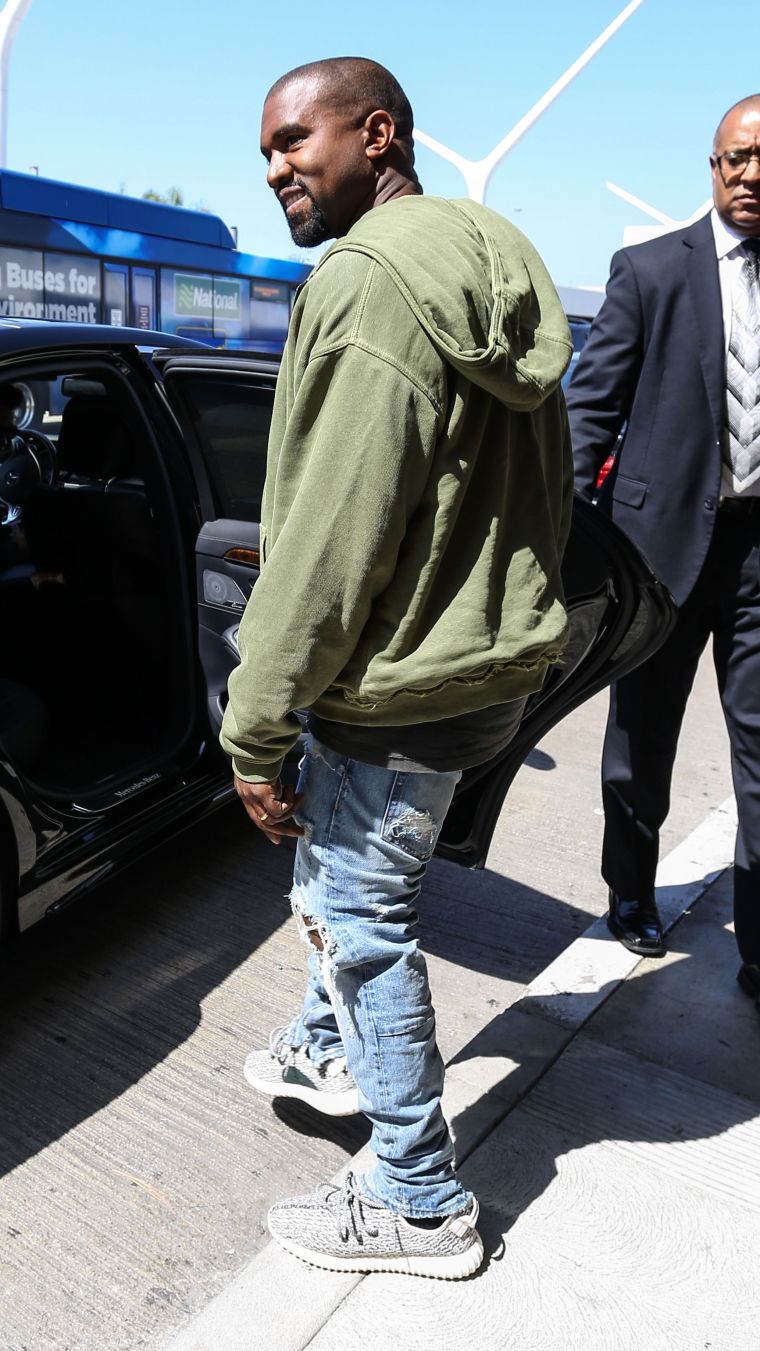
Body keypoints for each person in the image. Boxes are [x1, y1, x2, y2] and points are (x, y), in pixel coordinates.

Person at [221, 56, 574, 1278]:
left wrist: (255, 728)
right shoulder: (487, 249)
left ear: (376, 135)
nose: (275, 169)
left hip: (393, 691)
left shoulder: (368, 286)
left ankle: (419, 1200)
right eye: (265, 150)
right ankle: (329, 1052)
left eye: (293, 142)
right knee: (359, 899)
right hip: (486, 674)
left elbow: (331, 535)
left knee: (356, 918)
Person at [566, 96, 760, 1001]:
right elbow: (589, 408)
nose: (749, 174)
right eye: (734, 159)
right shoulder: (649, 271)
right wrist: (564, 538)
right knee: (643, 738)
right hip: (659, 550)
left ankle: (758, 940)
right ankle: (630, 890)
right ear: (711, 167)